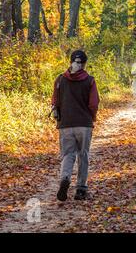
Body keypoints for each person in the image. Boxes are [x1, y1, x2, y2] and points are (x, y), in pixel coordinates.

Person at [51, 50, 99, 201]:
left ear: (70, 61)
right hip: (84, 124)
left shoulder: (60, 80)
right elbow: (93, 103)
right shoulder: (90, 81)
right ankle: (81, 190)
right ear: (85, 64)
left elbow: (55, 102)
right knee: (83, 155)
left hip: (66, 124)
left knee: (68, 154)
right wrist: (92, 117)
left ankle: (65, 178)